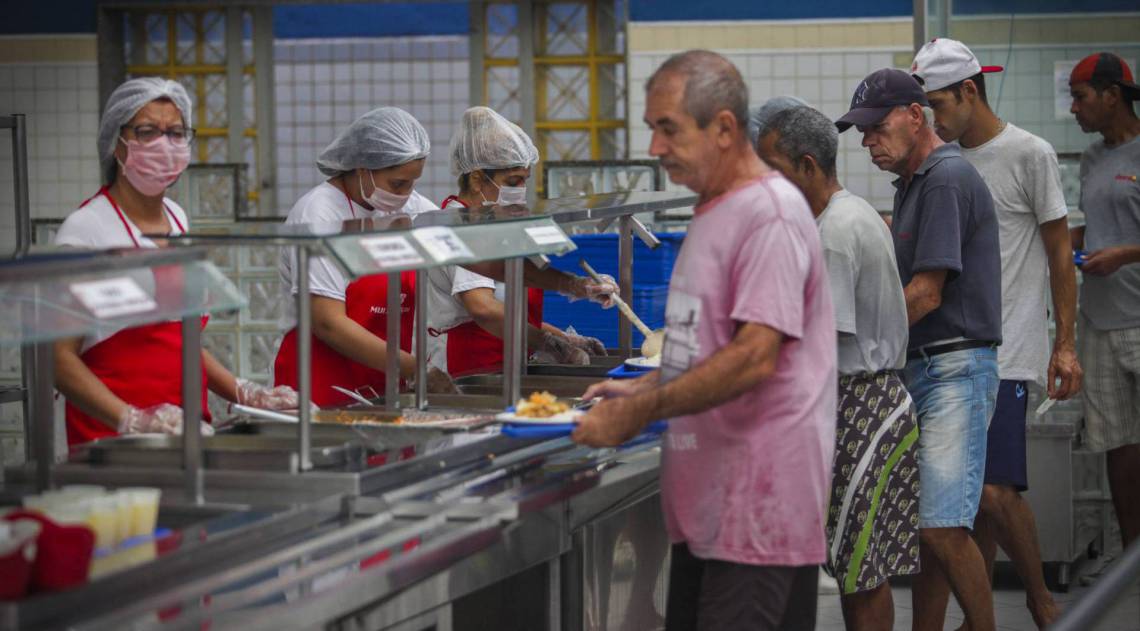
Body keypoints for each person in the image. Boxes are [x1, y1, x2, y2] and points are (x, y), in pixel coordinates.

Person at [574, 49, 836, 631]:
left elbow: (752, 358)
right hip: (711, 508)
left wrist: (643, 408)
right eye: (652, 130)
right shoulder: (714, 211)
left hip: (758, 511)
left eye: (667, 129)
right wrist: (642, 385)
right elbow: (708, 348)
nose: (655, 148)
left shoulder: (769, 214)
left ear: (723, 128)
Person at [912, 37, 1080, 628]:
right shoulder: (938, 162)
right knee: (962, 503)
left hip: (1012, 349)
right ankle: (973, 617)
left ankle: (1041, 601)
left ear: (969, 91)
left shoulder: (1028, 153)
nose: (933, 119)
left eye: (937, 104)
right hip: (957, 347)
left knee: (992, 492)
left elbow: (1061, 255)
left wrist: (1065, 342)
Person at [838, 68, 1001, 631]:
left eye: (876, 128)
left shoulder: (944, 176)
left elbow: (926, 294)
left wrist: (856, 347)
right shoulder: (911, 184)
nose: (867, 143)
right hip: (925, 367)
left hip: (953, 366)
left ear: (915, 115)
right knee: (929, 529)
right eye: (860, 133)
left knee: (939, 526)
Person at [53, 77, 297, 445]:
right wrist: (131, 419)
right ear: (117, 143)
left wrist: (244, 392)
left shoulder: (177, 218)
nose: (164, 145)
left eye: (176, 133)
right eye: (148, 131)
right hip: (111, 441)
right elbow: (58, 358)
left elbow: (178, 341)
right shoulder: (87, 229)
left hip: (184, 431)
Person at [757, 104, 919, 631]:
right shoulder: (844, 213)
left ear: (807, 165)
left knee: (860, 570)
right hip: (860, 401)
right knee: (857, 565)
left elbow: (813, 345)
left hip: (860, 408)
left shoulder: (834, 233)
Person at [273, 107, 452, 407]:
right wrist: (416, 369)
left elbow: (459, 251)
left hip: (380, 382)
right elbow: (327, 322)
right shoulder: (320, 212)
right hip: (320, 387)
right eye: (398, 183)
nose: (406, 194)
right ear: (362, 169)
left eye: (413, 183)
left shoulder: (406, 207)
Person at [428, 106, 607, 376]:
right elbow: (484, 308)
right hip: (466, 370)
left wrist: (566, 338)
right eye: (513, 181)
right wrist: (549, 344)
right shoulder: (460, 226)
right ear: (477, 179)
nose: (520, 191)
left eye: (524, 181)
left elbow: (515, 310)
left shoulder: (496, 222)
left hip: (506, 364)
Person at [1068, 51, 1140, 550]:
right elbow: (1086, 227)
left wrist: (1124, 255)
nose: (1074, 108)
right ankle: (1132, 553)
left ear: (1112, 96)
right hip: (1098, 320)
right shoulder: (1093, 158)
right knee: (1116, 441)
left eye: (1080, 96)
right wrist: (1059, 248)